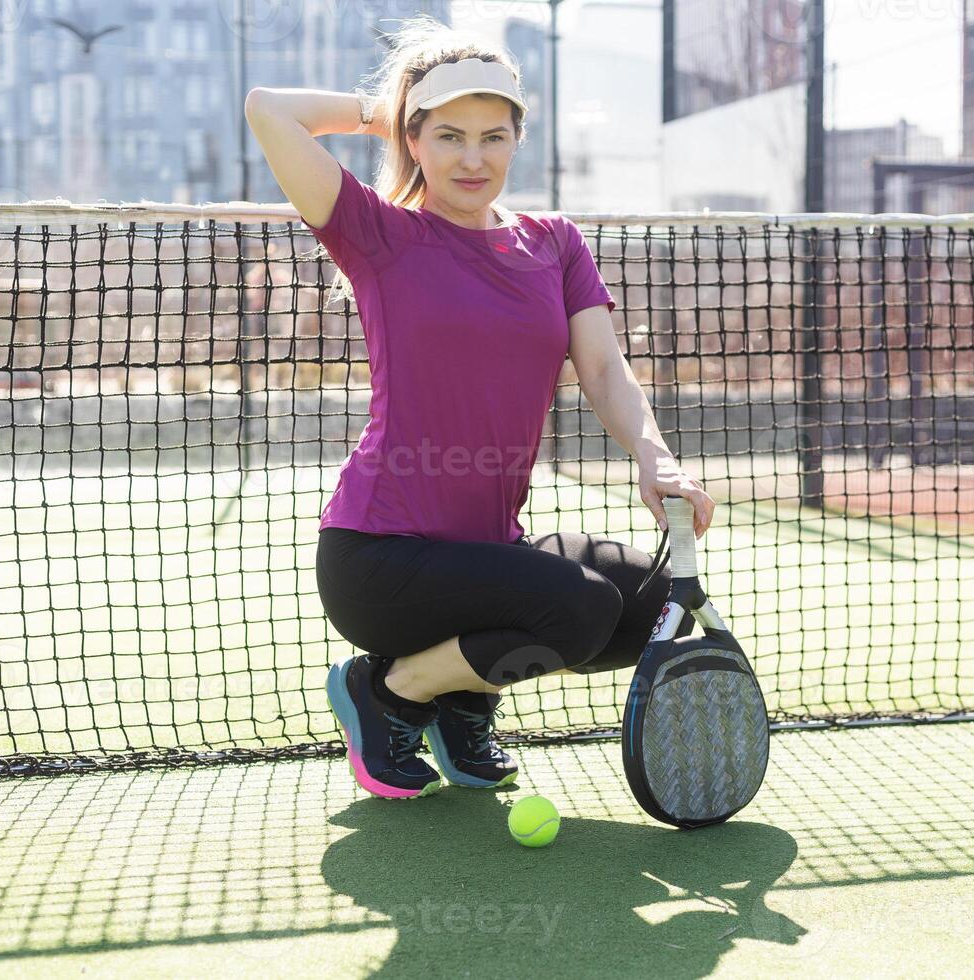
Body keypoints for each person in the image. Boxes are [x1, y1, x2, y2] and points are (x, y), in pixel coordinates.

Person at [245, 19, 716, 800]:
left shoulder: (554, 243)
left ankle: (462, 699)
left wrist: (654, 456)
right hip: (380, 558)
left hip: (490, 551)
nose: (473, 158)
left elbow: (602, 366)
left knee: (658, 607)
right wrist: (388, 106)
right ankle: (390, 692)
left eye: (494, 136)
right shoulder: (379, 234)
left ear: (516, 140)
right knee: (578, 608)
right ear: (415, 139)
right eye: (450, 135)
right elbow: (269, 109)